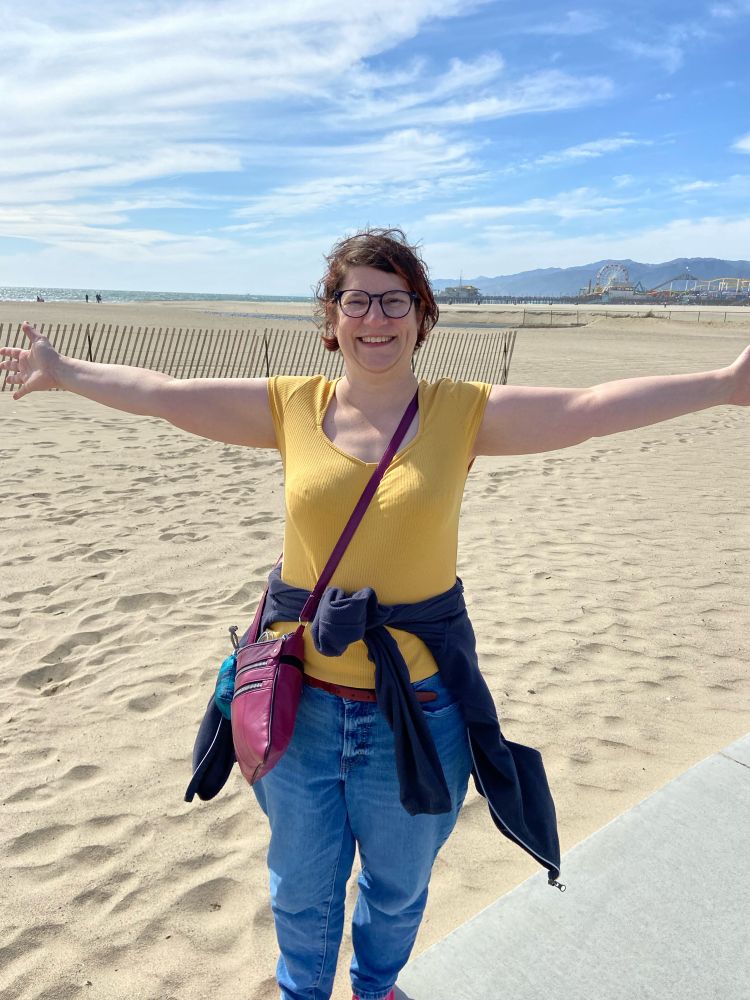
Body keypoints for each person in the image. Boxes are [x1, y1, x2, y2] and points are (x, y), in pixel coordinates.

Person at [1, 228, 748, 1000]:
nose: (375, 317)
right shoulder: (290, 405)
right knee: (300, 886)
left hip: (419, 714)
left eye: (395, 300)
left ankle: (377, 987)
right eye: (356, 299)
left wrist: (727, 383)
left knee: (397, 888)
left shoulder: (464, 413)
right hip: (301, 707)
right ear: (331, 317)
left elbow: (590, 408)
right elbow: (161, 395)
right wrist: (63, 372)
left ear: (423, 317)